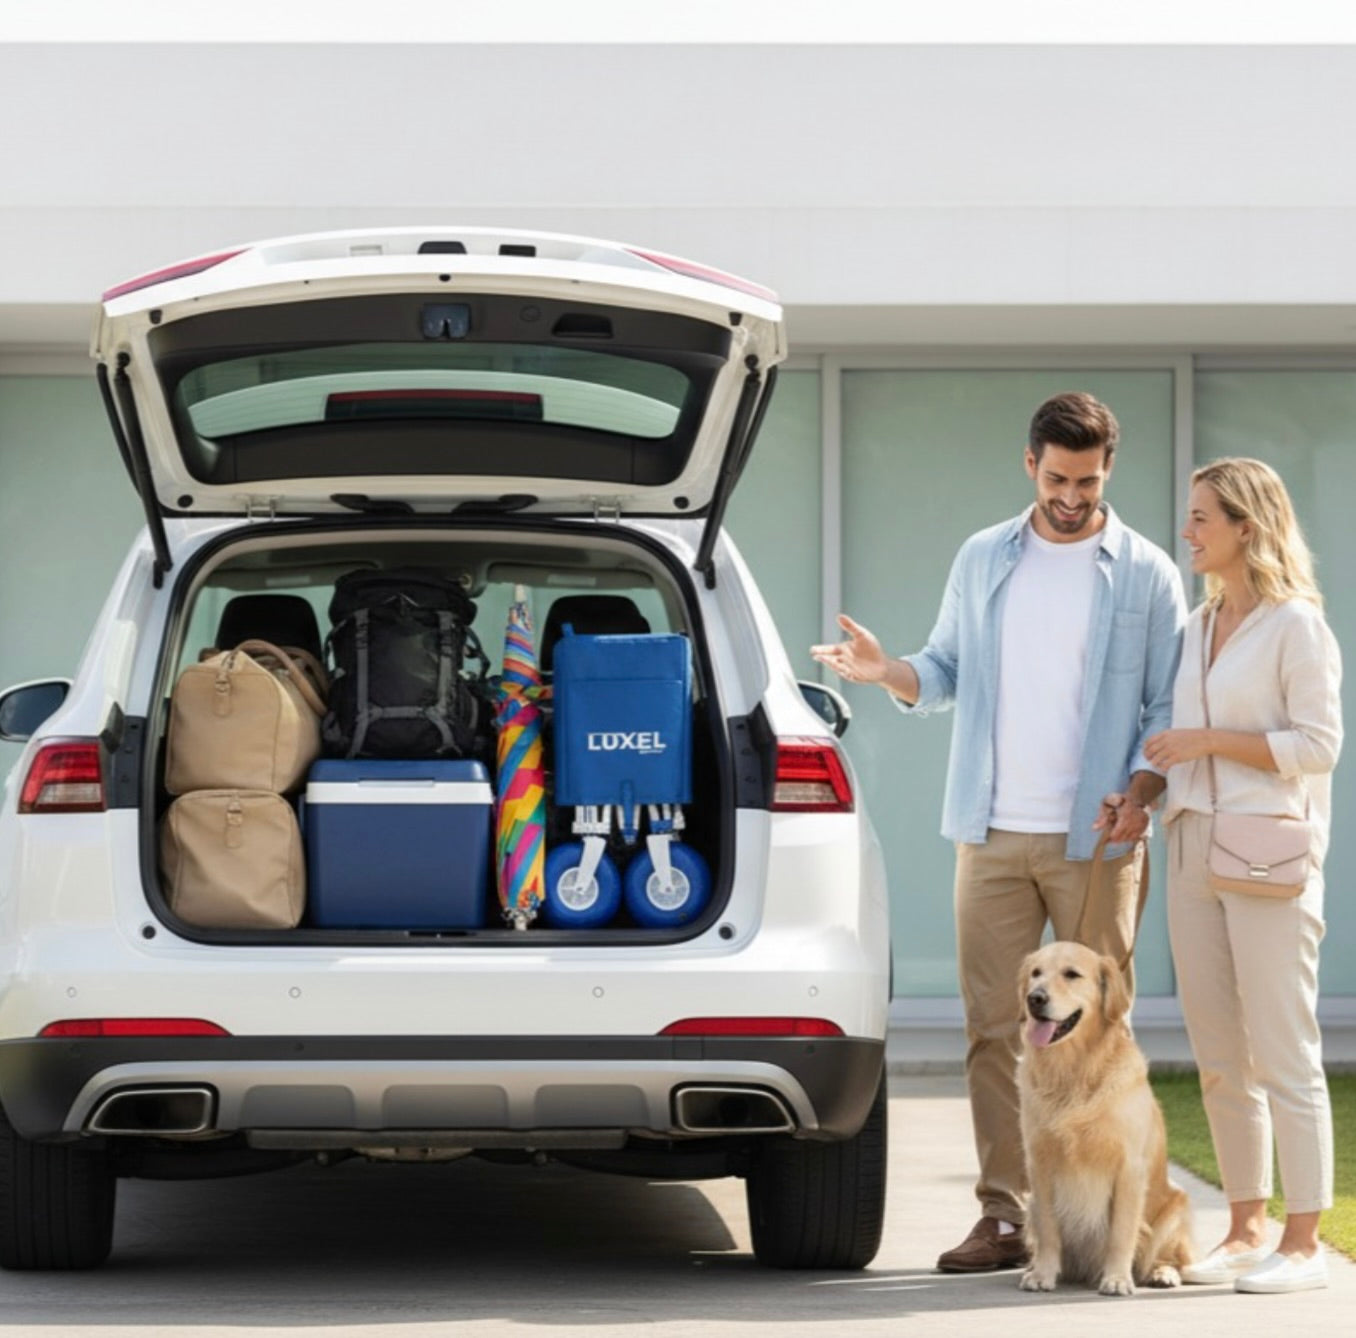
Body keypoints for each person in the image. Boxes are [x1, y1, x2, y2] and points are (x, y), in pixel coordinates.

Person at [811, 391, 1186, 1272]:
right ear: (1030, 464)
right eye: (1058, 478)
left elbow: (1166, 706)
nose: (1072, 495)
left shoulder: (1146, 571)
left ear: (1108, 472)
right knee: (996, 1029)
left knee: (1102, 1030)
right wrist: (884, 672)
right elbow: (940, 670)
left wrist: (1142, 793)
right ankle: (1008, 1217)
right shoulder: (985, 558)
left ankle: (1104, 1227)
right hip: (988, 831)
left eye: (1088, 481)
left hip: (1099, 837)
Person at [1146, 458, 1341, 1295]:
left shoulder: (1298, 626)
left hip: (1268, 855)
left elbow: (1319, 745)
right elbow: (1176, 740)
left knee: (1284, 1051)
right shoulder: (1197, 625)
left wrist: (1211, 743)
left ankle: (1304, 1243)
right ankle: (1246, 1225)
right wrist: (1142, 793)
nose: (1187, 532)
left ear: (1246, 528)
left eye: (1201, 519)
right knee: (1221, 1056)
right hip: (1190, 846)